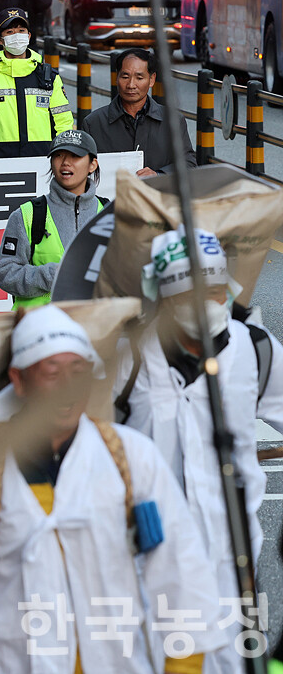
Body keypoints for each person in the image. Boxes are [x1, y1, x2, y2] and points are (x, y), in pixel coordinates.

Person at [0, 305, 225, 672]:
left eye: (78, 372)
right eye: (52, 373)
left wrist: (183, 665)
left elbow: (179, 566)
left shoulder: (133, 458)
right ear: (19, 380)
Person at [114, 228, 283, 673]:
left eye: (213, 290)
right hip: (147, 561)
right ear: (163, 296)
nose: (205, 303)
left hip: (233, 563)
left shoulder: (256, 350)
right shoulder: (127, 359)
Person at [0, 129, 105, 308]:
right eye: (58, 155)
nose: (65, 162)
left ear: (92, 165)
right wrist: (53, 275)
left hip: (94, 321)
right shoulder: (27, 214)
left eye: (75, 156)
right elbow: (5, 272)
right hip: (38, 323)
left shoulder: (109, 213)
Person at [0, 7, 72, 159]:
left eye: (21, 31)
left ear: (29, 36)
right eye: (10, 32)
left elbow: (63, 123)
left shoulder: (49, 77)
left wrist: (65, 158)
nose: (16, 36)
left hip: (41, 160)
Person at [82, 47, 196, 176]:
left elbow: (189, 164)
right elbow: (82, 170)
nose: (131, 85)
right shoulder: (93, 123)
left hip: (158, 189)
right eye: (125, 77)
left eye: (139, 78)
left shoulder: (173, 120)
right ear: (116, 77)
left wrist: (158, 175)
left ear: (152, 80)